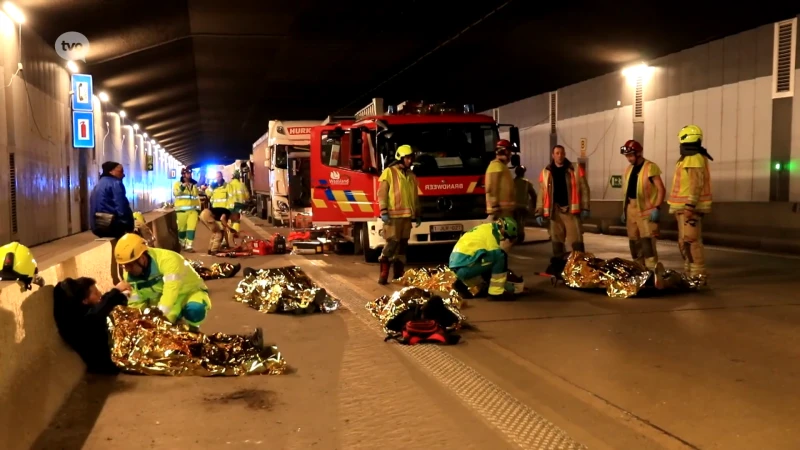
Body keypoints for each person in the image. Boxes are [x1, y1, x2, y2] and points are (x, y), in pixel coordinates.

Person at [114, 233, 211, 329]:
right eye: (124, 265)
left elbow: (170, 292)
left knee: (194, 310)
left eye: (129, 265)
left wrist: (156, 318)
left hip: (190, 293)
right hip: (163, 301)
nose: (126, 269)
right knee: (164, 330)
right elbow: (136, 300)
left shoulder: (169, 260)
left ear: (142, 259)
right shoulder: (130, 275)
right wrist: (136, 320)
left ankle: (194, 330)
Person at [667, 125, 713, 283]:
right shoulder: (689, 157)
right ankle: (690, 272)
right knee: (684, 240)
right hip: (682, 207)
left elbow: (696, 184)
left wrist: (690, 205)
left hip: (689, 208)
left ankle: (698, 275)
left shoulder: (693, 158)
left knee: (691, 240)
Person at [53, 277, 128, 374]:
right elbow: (97, 312)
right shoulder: (80, 324)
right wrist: (116, 291)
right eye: (96, 293)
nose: (100, 294)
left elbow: (101, 305)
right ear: (84, 301)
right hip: (108, 364)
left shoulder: (84, 313)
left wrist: (121, 297)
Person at [534, 145, 590, 257]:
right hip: (554, 213)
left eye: (562, 153)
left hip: (571, 212)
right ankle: (559, 268)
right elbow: (542, 193)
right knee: (557, 243)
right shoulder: (546, 172)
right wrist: (539, 211)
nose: (560, 155)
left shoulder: (576, 169)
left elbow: (584, 188)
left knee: (577, 243)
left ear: (565, 154)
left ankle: (579, 269)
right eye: (557, 153)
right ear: (553, 155)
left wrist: (585, 207)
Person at [377, 144, 422, 285]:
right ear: (400, 158)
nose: (410, 160)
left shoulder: (411, 175)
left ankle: (398, 274)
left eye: (411, 158)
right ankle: (384, 273)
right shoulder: (389, 172)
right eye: (407, 158)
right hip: (392, 217)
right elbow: (382, 193)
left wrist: (418, 214)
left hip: (406, 217)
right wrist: (383, 210)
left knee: (402, 246)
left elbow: (414, 197)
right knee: (391, 244)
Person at [619, 140, 666, 270]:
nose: (628, 159)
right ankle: (639, 269)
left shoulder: (650, 167)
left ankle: (651, 271)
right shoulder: (629, 169)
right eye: (627, 156)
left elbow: (661, 189)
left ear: (639, 153)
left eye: (630, 155)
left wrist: (657, 207)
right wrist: (625, 210)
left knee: (647, 243)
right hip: (631, 209)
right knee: (634, 242)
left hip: (646, 211)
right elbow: (627, 191)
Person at [448, 217, 520, 301]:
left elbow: (488, 265)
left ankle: (462, 285)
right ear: (504, 231)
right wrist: (507, 288)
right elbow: (498, 261)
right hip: (464, 267)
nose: (506, 240)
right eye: (507, 237)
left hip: (458, 265)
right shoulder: (492, 238)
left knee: (489, 261)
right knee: (500, 256)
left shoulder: (487, 228)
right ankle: (495, 293)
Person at [90, 161, 134, 239]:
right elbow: (121, 207)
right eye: (121, 171)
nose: (123, 175)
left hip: (97, 226)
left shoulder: (98, 184)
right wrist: (128, 225)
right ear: (111, 171)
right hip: (111, 225)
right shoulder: (116, 183)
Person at [485, 139, 515, 220]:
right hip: (498, 211)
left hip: (504, 211)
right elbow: (491, 187)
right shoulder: (496, 166)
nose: (510, 155)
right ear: (505, 151)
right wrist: (495, 206)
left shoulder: (501, 166)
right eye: (509, 151)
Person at [174, 168, 201, 252]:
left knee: (191, 228)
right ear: (183, 175)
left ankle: (189, 246)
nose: (189, 175)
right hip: (181, 211)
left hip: (193, 211)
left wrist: (198, 209)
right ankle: (182, 243)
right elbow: (176, 193)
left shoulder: (194, 185)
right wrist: (183, 186)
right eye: (187, 173)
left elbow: (196, 198)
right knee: (182, 230)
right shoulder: (177, 184)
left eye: (190, 173)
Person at [513, 165, 537, 243]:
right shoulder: (527, 183)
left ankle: (514, 236)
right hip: (523, 207)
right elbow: (533, 195)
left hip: (513, 206)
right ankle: (520, 235)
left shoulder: (512, 182)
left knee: (514, 221)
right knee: (521, 222)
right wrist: (534, 205)